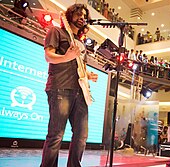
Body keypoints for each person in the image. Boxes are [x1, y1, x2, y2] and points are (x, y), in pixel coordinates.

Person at [40, 4, 98, 167]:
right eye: (79, 14)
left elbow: (78, 66)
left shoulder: (80, 42)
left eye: (84, 16)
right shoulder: (56, 31)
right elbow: (49, 56)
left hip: (80, 92)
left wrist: (88, 75)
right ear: (70, 14)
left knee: (81, 135)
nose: (82, 18)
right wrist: (67, 56)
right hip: (60, 88)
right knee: (56, 135)